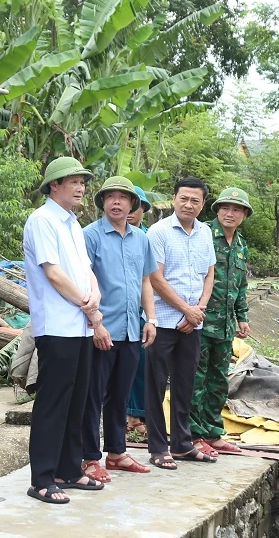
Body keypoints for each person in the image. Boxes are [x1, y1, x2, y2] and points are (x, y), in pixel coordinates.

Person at [23, 157, 104, 504]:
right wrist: (88, 305)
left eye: (82, 182)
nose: (80, 187)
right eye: (73, 181)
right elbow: (53, 273)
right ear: (54, 185)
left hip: (81, 327)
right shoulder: (42, 220)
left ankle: (69, 469)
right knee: (53, 403)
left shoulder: (71, 222)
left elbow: (85, 269)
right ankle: (41, 478)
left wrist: (94, 295)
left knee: (77, 401)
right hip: (57, 325)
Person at [80, 177, 158, 482]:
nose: (116, 202)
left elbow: (145, 281)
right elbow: (83, 280)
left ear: (132, 204)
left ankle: (116, 453)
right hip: (102, 330)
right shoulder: (91, 236)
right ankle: (89, 458)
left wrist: (150, 319)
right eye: (110, 197)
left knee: (120, 395)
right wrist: (95, 323)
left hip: (131, 330)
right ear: (102, 203)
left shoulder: (141, 239)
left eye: (122, 198)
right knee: (93, 395)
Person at [145, 177, 217, 469]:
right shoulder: (158, 232)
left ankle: (183, 444)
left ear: (202, 204)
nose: (189, 204)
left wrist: (197, 310)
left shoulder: (205, 233)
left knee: (186, 385)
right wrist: (185, 310)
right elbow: (155, 278)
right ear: (173, 199)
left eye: (195, 200)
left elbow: (209, 274)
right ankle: (158, 448)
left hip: (193, 322)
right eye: (183, 198)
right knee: (156, 385)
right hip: (162, 322)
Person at [189, 187, 253, 457]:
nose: (230, 213)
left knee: (218, 380)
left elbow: (240, 285)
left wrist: (242, 317)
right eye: (225, 208)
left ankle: (213, 432)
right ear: (216, 210)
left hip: (225, 326)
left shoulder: (240, 244)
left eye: (237, 209)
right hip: (201, 322)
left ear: (244, 215)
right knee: (196, 379)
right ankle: (192, 434)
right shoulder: (202, 234)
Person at [125, 185, 152, 437]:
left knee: (143, 366)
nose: (131, 211)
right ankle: (127, 415)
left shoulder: (147, 238)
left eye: (137, 205)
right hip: (115, 314)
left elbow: (150, 279)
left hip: (143, 313)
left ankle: (138, 414)